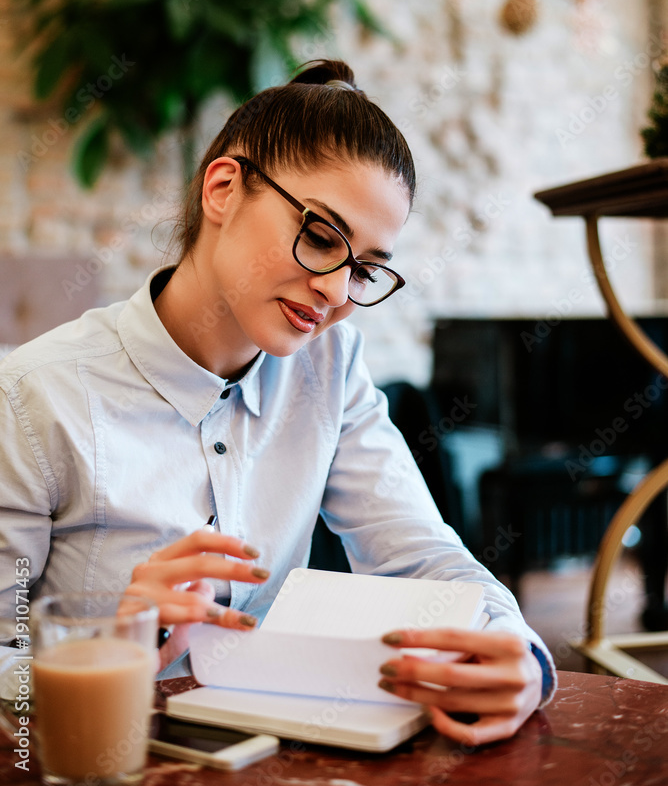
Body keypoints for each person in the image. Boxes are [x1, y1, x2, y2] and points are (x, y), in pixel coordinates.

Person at [0, 60, 555, 746]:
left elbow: (420, 554)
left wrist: (518, 654)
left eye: (366, 269)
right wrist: (106, 647)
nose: (336, 291)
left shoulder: (331, 369)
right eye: (322, 237)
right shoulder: (34, 396)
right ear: (224, 188)